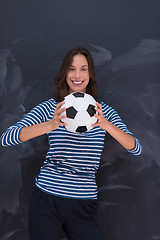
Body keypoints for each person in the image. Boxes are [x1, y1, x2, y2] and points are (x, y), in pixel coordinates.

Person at [1, 47, 142, 240]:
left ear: (90, 74)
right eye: (71, 68)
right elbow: (7, 138)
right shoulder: (51, 108)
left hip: (83, 204)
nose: (77, 75)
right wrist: (50, 125)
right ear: (64, 73)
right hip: (47, 199)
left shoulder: (104, 112)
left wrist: (106, 125)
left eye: (83, 69)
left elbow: (136, 148)